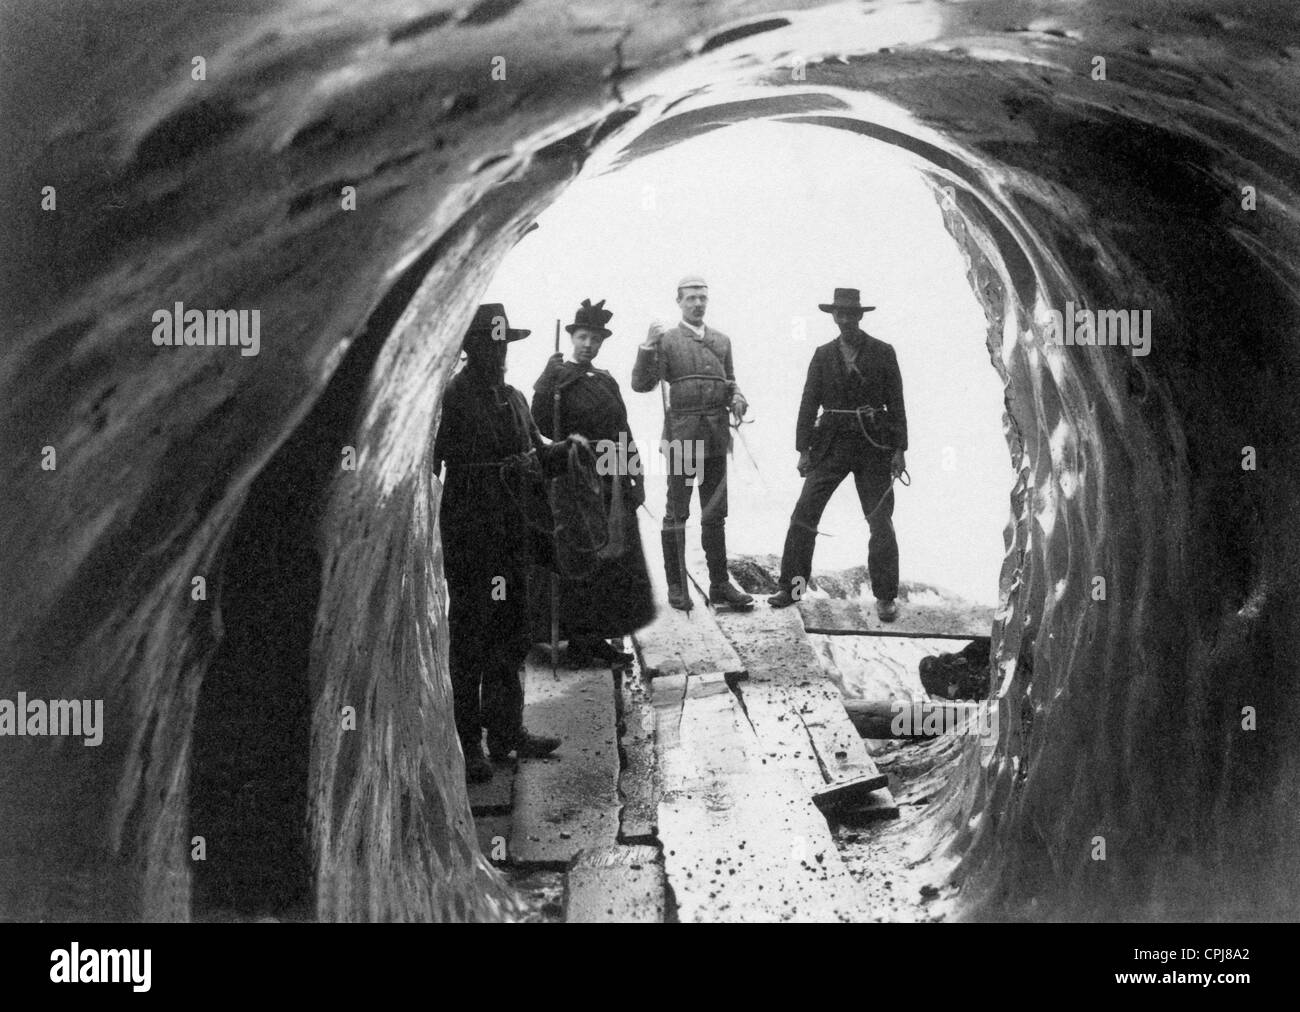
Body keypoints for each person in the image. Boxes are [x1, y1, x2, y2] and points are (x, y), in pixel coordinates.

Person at [433, 303, 582, 783]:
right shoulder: (451, 400)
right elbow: (429, 467)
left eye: (502, 345)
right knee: (471, 638)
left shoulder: (516, 398)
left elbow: (537, 453)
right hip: (472, 534)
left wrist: (569, 452)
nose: (498, 354)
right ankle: (467, 743)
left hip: (514, 535)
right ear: (471, 349)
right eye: (489, 345)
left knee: (512, 633)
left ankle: (506, 732)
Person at [767, 288, 908, 621]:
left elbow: (897, 404)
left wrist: (899, 449)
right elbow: (808, 402)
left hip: (874, 446)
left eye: (851, 314)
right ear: (833, 316)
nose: (845, 320)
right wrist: (803, 449)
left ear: (860, 316)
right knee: (804, 514)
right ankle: (793, 588)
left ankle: (886, 596)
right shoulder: (822, 354)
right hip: (829, 446)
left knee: (880, 522)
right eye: (839, 314)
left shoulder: (883, 352)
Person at [530, 299, 656, 667]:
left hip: (612, 477)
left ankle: (599, 634)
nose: (588, 344)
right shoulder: (557, 381)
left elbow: (623, 430)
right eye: (583, 337)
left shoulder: (605, 380)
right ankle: (580, 639)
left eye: (595, 339)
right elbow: (542, 425)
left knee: (616, 557)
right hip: (577, 480)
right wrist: (544, 382)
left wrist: (635, 473)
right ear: (572, 338)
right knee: (584, 555)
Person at [630, 275, 754, 611]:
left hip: (716, 438)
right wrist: (646, 345)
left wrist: (738, 397)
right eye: (691, 298)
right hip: (682, 439)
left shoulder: (722, 340)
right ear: (679, 302)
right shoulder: (667, 341)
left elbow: (730, 382)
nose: (698, 303)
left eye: (702, 298)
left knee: (715, 514)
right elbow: (641, 384)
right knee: (677, 514)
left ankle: (719, 585)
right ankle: (676, 586)